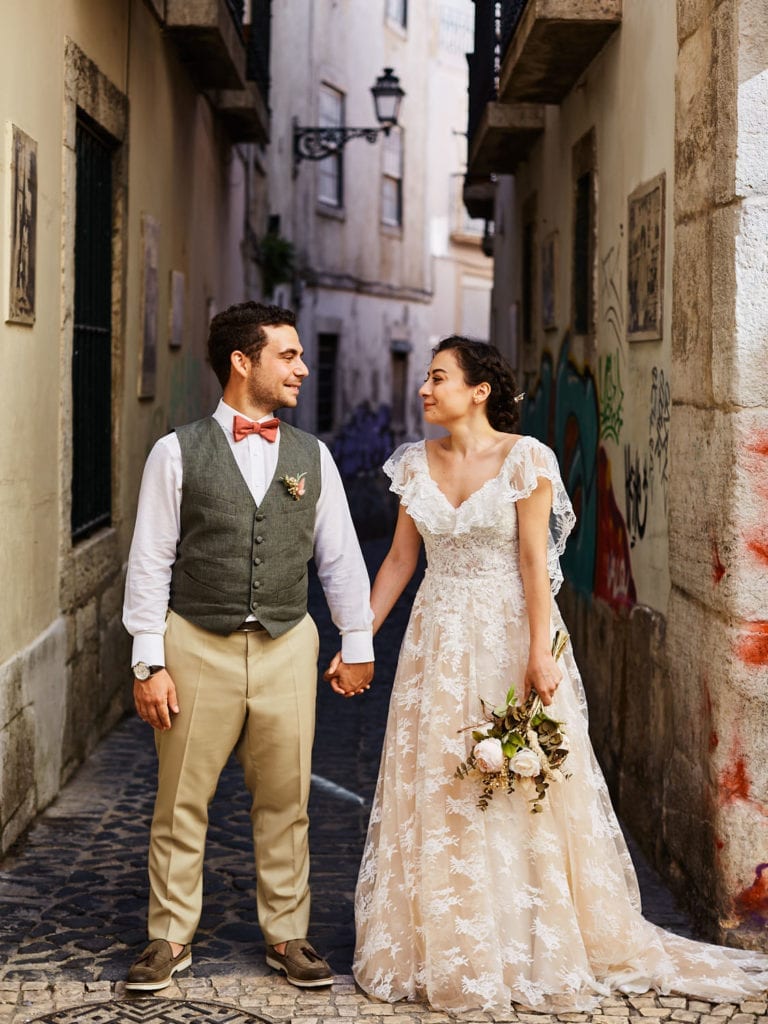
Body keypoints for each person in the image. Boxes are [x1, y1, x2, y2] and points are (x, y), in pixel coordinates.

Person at [347, 337, 768, 1014]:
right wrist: (358, 636)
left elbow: (535, 564)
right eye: (426, 379)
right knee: (438, 779)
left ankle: (528, 938)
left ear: (479, 389)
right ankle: (447, 940)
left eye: (437, 378)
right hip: (437, 641)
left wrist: (540, 652)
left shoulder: (526, 460)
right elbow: (399, 561)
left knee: (521, 782)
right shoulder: (413, 465)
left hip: (511, 632)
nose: (424, 390)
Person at [122, 301, 374, 993]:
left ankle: (287, 936)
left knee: (287, 798)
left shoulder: (311, 455)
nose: (302, 366)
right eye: (287, 355)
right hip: (195, 642)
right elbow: (150, 562)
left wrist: (358, 642)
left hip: (287, 643)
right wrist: (150, 661)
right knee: (180, 800)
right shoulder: (175, 453)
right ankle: (168, 939)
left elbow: (341, 558)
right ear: (243, 361)